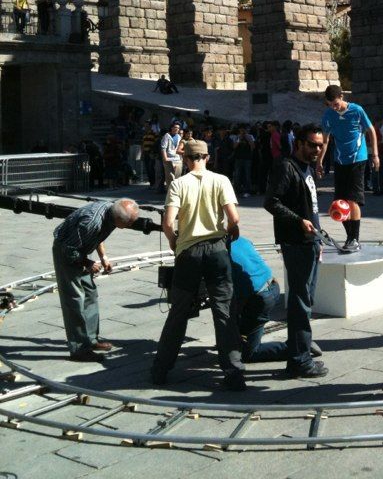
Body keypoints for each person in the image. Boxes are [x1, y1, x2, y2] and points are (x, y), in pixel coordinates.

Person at [151, 139, 246, 390]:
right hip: (217, 250)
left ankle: (160, 370)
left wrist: (175, 242)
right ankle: (234, 373)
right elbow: (234, 218)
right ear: (207, 157)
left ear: (186, 159)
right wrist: (229, 230)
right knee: (224, 311)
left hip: (189, 253)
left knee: (179, 311)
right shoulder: (221, 180)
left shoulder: (178, 184)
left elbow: (168, 223)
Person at [264, 123, 328, 378]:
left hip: (310, 242)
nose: (317, 149)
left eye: (320, 145)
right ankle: (300, 361)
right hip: (296, 242)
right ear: (299, 143)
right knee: (300, 302)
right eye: (312, 145)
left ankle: (298, 352)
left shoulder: (307, 167)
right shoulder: (285, 166)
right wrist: (298, 221)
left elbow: (310, 206)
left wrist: (318, 236)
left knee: (306, 300)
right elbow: (271, 202)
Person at [52, 198, 139, 360]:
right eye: (129, 223)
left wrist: (103, 257)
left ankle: (91, 340)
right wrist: (87, 263)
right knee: (74, 299)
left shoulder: (111, 211)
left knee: (90, 293)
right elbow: (68, 249)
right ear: (118, 219)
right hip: (67, 251)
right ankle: (79, 349)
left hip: (81, 249)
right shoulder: (90, 223)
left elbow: (98, 236)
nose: (130, 226)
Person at [229, 236, 323, 364]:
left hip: (259, 299)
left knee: (249, 353)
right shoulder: (237, 238)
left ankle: (296, 348)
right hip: (272, 285)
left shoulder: (216, 254)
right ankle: (300, 343)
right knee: (240, 327)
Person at [316, 85, 379, 252]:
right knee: (339, 202)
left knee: (352, 199)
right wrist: (319, 161)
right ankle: (350, 237)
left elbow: (371, 130)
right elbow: (325, 141)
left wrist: (375, 155)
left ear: (342, 97)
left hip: (358, 158)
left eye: (336, 104)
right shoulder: (328, 115)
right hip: (340, 160)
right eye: (330, 105)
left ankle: (354, 239)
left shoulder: (357, 110)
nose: (334, 108)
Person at [161, 122, 182, 190]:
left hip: (177, 159)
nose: (177, 129)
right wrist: (165, 158)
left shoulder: (179, 137)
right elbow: (163, 148)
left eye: (178, 128)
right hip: (168, 158)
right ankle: (170, 191)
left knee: (177, 176)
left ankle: (176, 191)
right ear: (171, 128)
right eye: (175, 127)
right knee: (170, 177)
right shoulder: (166, 136)